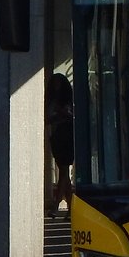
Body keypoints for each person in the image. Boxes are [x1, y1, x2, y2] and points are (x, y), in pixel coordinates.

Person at [47, 73, 74, 217]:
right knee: (64, 173)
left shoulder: (67, 100)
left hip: (65, 136)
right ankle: (71, 208)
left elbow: (72, 116)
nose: (56, 86)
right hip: (55, 136)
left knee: (63, 171)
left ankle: (56, 205)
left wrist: (60, 112)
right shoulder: (51, 100)